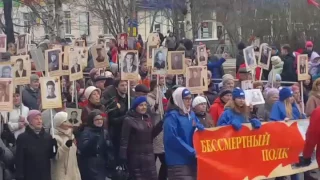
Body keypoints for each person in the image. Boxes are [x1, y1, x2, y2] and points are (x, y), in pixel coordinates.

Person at [163, 87, 204, 180]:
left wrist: (201, 128)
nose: (189, 101)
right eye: (186, 99)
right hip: (178, 161)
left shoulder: (191, 114)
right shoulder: (172, 116)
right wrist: (190, 150)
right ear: (179, 99)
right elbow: (172, 139)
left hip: (192, 160)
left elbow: (197, 128)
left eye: (190, 98)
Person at [119, 96, 163, 180]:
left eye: (145, 105)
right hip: (136, 157)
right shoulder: (129, 120)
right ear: (135, 106)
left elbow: (151, 135)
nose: (144, 107)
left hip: (149, 156)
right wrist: (123, 156)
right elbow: (124, 139)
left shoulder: (147, 118)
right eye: (141, 105)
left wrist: (160, 125)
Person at [269, 87, 304, 180]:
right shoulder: (277, 105)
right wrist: (282, 122)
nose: (292, 98)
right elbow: (272, 121)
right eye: (290, 96)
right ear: (285, 97)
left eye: (292, 95)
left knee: (294, 164)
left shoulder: (294, 106)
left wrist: (303, 117)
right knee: (282, 166)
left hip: (293, 140)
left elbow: (299, 119)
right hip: (282, 140)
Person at [15, 110, 58, 180]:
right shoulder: (23, 138)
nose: (39, 121)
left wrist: (54, 146)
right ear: (30, 121)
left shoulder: (47, 137)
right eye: (36, 119)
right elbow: (19, 159)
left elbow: (51, 155)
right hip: (29, 175)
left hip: (44, 175)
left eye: (40, 119)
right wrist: (19, 176)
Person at [78, 110, 114, 180]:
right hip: (90, 165)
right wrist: (93, 139)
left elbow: (109, 148)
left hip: (102, 164)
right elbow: (84, 149)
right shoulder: (86, 132)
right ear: (91, 121)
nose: (100, 121)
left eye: (101, 119)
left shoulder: (104, 132)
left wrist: (111, 160)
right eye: (97, 119)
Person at [101, 80, 129, 163]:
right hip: (117, 133)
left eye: (125, 85)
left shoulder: (130, 99)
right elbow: (112, 120)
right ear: (117, 88)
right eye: (122, 85)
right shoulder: (113, 102)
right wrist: (125, 117)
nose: (124, 87)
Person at [51, 112, 81, 180]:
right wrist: (66, 146)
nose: (68, 122)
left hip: (73, 172)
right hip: (62, 174)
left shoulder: (71, 135)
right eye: (65, 121)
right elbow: (56, 157)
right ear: (59, 123)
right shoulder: (55, 137)